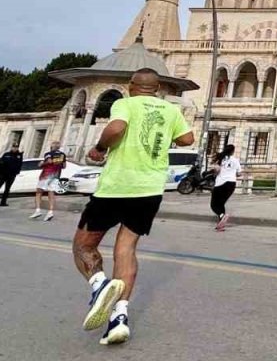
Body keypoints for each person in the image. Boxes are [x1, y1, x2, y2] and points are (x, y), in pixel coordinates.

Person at [72, 68, 194, 346]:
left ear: (131, 85)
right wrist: (163, 137)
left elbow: (116, 128)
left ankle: (100, 286)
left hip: (118, 186)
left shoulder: (124, 103)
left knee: (83, 246)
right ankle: (119, 319)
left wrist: (101, 147)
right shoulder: (169, 110)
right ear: (159, 87)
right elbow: (188, 140)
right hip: (150, 189)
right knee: (126, 249)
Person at [31, 141, 67, 221]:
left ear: (52, 146)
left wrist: (41, 164)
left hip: (46, 174)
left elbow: (49, 161)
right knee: (51, 192)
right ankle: (50, 212)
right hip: (56, 175)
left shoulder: (49, 153)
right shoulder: (62, 155)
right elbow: (64, 166)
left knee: (39, 192)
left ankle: (38, 210)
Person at [210, 144, 240, 231]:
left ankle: (222, 216)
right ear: (233, 151)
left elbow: (216, 170)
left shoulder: (220, 158)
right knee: (221, 204)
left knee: (214, 205)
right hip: (231, 184)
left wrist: (214, 173)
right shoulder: (235, 160)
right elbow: (239, 173)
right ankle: (221, 224)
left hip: (220, 183)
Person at [0, 143, 24, 208]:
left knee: (7, 189)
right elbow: (0, 164)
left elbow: (20, 165)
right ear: (11, 147)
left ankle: (3, 202)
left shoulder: (19, 155)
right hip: (3, 174)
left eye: (16, 147)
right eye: (14, 147)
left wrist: (16, 172)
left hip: (11, 175)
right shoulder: (6, 154)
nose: (15, 148)